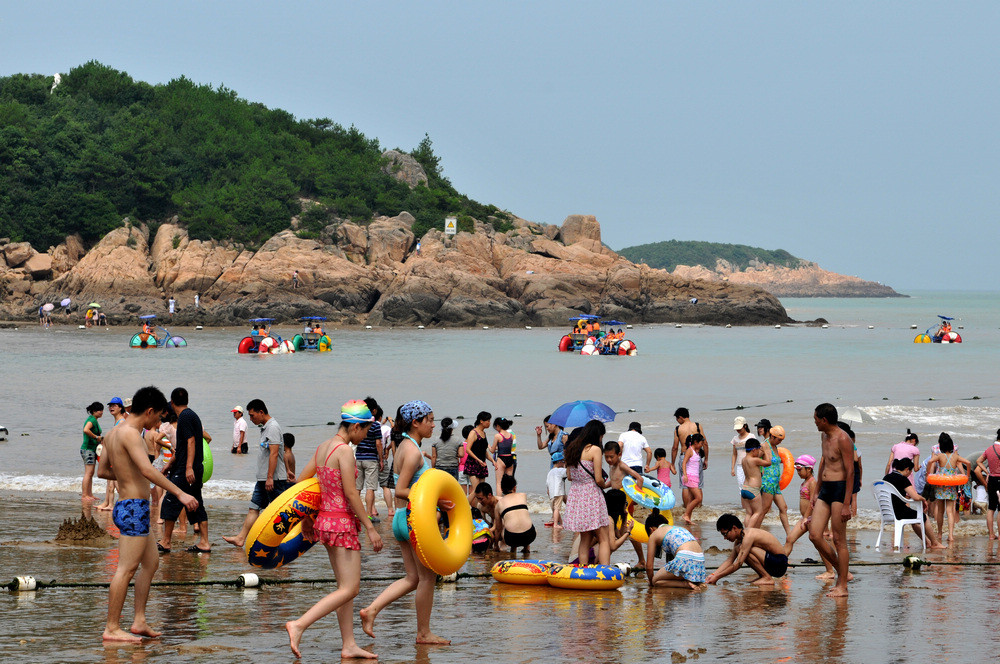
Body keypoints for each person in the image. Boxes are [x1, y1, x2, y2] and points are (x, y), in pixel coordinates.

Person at [97, 386, 198, 642]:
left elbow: (102, 471)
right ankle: (111, 628)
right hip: (133, 508)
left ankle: (139, 621)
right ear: (150, 411)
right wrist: (181, 494)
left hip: (130, 507)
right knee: (126, 569)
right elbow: (147, 470)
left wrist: (125, 474)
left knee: (151, 564)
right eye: (159, 417)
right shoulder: (131, 434)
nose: (160, 422)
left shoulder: (111, 434)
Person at [284, 400, 384, 659]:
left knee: (344, 588)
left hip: (325, 525)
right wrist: (370, 528)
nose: (365, 436)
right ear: (354, 427)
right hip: (342, 525)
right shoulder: (344, 451)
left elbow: (303, 484)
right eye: (364, 430)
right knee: (350, 589)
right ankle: (299, 625)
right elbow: (351, 493)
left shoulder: (322, 448)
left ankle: (349, 644)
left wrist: (307, 517)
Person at [361, 400, 451, 645]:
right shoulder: (412, 451)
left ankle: (371, 610)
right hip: (414, 521)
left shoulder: (405, 445)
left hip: (402, 520)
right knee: (427, 578)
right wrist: (432, 500)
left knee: (412, 578)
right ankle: (423, 633)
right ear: (416, 422)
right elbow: (400, 489)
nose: (433, 424)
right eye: (430, 420)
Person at [222, 399, 290, 548]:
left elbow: (274, 454)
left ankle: (285, 541)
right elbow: (280, 453)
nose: (251, 419)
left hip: (273, 479)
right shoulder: (265, 428)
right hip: (263, 478)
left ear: (261, 412)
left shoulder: (272, 427)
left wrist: (270, 477)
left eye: (252, 416)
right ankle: (241, 538)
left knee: (281, 512)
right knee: (254, 508)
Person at [808, 403, 854, 598]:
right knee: (814, 534)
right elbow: (824, 461)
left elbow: (851, 471)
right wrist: (816, 490)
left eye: (816, 420)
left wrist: (846, 504)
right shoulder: (823, 436)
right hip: (825, 489)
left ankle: (842, 585)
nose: (815, 423)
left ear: (824, 420)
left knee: (838, 539)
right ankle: (843, 571)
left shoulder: (843, 439)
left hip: (839, 490)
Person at [158, 388, 210, 554]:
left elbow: (191, 442)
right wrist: (169, 464)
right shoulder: (191, 415)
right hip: (188, 467)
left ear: (172, 402)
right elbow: (181, 448)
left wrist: (188, 468)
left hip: (186, 469)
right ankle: (204, 542)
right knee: (196, 503)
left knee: (170, 500)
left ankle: (166, 541)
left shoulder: (186, 417)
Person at [562, 420, 611, 565]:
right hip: (591, 495)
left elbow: (570, 477)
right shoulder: (595, 450)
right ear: (598, 435)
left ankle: (583, 570)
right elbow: (598, 479)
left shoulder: (572, 449)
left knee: (584, 540)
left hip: (577, 495)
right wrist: (607, 484)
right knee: (604, 538)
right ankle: (605, 571)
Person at [708, 514, 791, 586]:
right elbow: (729, 561)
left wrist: (718, 577)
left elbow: (738, 563)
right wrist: (713, 574)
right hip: (771, 562)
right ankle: (763, 576)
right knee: (740, 548)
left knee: (741, 549)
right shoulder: (739, 540)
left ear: (734, 528)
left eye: (725, 534)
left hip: (780, 563)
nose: (725, 538)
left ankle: (766, 578)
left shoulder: (748, 536)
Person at [882, 458, 947, 549]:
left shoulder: (886, 477)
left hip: (887, 512)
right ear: (907, 469)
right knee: (924, 517)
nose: (910, 474)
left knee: (915, 520)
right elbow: (915, 496)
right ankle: (934, 543)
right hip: (899, 512)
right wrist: (924, 500)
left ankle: (927, 542)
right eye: (910, 471)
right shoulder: (903, 479)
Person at [926, 433, 970, 544]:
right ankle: (950, 535)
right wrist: (967, 475)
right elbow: (968, 462)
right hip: (951, 486)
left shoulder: (940, 456)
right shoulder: (955, 456)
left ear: (940, 446)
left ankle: (940, 533)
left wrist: (928, 474)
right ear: (951, 445)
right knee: (950, 511)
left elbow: (930, 462)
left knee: (940, 511)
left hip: (941, 486)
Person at [644, 512, 706, 590]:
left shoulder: (654, 534)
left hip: (684, 559)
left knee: (656, 581)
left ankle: (686, 584)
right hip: (700, 561)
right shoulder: (677, 529)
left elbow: (649, 567)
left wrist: (651, 582)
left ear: (651, 529)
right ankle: (696, 583)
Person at [758, 420, 792, 537]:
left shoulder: (775, 446)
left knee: (784, 507)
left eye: (781, 440)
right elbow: (754, 461)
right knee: (764, 509)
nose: (780, 442)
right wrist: (758, 476)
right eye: (778, 439)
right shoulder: (764, 446)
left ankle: (789, 534)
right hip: (768, 482)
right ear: (772, 436)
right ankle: (753, 531)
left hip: (776, 484)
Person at [354, 397, 384, 521]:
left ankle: (355, 513)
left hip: (358, 458)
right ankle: (368, 514)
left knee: (357, 487)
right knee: (370, 487)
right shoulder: (375, 425)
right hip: (371, 459)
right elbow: (378, 443)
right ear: (374, 411)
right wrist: (381, 460)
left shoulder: (359, 425)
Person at [97, 397, 128, 512]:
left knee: (118, 484)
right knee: (112, 483)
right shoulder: (117, 421)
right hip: (114, 457)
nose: (111, 407)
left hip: (119, 458)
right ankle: (112, 504)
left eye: (114, 405)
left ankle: (122, 505)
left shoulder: (122, 422)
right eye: (110, 406)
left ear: (121, 408)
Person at [496, 475, 535, 554]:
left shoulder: (499, 504)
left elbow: (498, 528)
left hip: (511, 539)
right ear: (515, 487)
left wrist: (496, 545)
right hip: (530, 536)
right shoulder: (523, 495)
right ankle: (526, 548)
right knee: (523, 519)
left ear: (501, 489)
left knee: (506, 526)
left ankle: (513, 550)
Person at [974, 429, 1000, 539]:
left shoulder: (990, 449)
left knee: (991, 508)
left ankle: (991, 534)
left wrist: (986, 472)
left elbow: (978, 461)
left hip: (992, 480)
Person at [672, 408, 708, 481]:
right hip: (696, 456)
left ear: (680, 417)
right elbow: (705, 443)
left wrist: (673, 463)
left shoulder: (678, 429)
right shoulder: (697, 426)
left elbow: (675, 448)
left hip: (684, 456)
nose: (678, 421)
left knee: (685, 484)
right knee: (697, 483)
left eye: (677, 419)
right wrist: (706, 459)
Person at [740, 438, 770, 527]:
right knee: (758, 512)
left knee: (749, 513)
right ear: (754, 450)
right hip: (753, 489)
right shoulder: (754, 460)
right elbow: (768, 463)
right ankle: (748, 532)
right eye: (758, 450)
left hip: (744, 488)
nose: (758, 452)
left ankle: (745, 531)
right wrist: (765, 450)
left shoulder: (744, 460)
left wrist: (760, 451)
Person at [81, 401, 105, 502]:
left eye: (102, 410)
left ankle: (89, 494)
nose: (101, 412)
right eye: (99, 410)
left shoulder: (94, 419)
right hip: (88, 449)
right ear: (94, 411)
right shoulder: (92, 420)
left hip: (91, 449)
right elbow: (86, 430)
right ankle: (84, 495)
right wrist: (96, 437)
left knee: (91, 473)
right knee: (88, 473)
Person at [462, 411, 493, 492]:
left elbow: (484, 450)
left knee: (482, 491)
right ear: (481, 421)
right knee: (476, 490)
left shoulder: (484, 433)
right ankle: (467, 504)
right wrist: (478, 460)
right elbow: (468, 449)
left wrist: (493, 460)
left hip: (482, 464)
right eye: (488, 421)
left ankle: (478, 505)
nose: (489, 423)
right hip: (473, 464)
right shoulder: (473, 433)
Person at [681, 434, 705, 525]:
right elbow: (684, 463)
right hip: (690, 477)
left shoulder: (696, 451)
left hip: (695, 477)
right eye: (701, 443)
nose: (702, 445)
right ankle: (686, 514)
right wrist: (685, 474)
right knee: (698, 498)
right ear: (695, 442)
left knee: (691, 500)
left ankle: (688, 519)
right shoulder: (689, 450)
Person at [730, 416, 753, 488]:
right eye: (737, 428)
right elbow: (734, 454)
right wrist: (732, 468)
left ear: (745, 426)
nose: (738, 430)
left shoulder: (751, 437)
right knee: (741, 485)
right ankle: (743, 499)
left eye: (740, 428)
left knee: (750, 485)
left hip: (750, 464)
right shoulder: (735, 439)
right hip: (740, 465)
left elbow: (756, 452)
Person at [546, 452, 567, 528]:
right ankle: (555, 524)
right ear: (559, 462)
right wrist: (565, 466)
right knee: (557, 509)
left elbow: (547, 484)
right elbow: (568, 473)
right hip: (558, 492)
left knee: (555, 509)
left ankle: (561, 523)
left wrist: (549, 493)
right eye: (563, 461)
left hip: (552, 493)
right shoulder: (560, 470)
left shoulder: (550, 472)